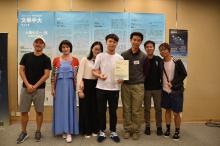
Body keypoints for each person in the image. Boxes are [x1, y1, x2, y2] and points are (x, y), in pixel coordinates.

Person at [17, 37, 51, 144]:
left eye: (41, 43)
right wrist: (28, 85)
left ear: (44, 46)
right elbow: (21, 71)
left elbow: (46, 75)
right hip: (25, 88)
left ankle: (38, 131)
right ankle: (23, 132)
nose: (38, 44)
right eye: (37, 42)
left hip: (39, 89)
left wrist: (34, 86)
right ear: (33, 44)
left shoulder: (46, 59)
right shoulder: (26, 56)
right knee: (24, 111)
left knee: (39, 111)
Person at [92, 34, 124, 143]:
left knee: (113, 112)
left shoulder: (120, 58)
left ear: (117, 44)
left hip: (114, 88)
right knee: (101, 111)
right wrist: (100, 76)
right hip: (101, 87)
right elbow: (94, 71)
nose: (112, 44)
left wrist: (121, 79)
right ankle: (102, 131)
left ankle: (113, 131)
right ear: (106, 42)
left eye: (114, 42)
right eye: (110, 41)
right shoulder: (100, 56)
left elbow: (122, 76)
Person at [121, 32, 149, 140]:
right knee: (127, 109)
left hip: (138, 86)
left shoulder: (144, 56)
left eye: (138, 40)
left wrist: (138, 80)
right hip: (125, 86)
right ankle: (128, 129)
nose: (136, 42)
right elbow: (119, 69)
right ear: (130, 40)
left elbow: (146, 73)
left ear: (141, 42)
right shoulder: (123, 55)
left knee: (136, 110)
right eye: (134, 39)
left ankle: (136, 130)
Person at [51, 40, 79, 143]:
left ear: (70, 48)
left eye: (67, 47)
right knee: (60, 108)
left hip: (70, 87)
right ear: (61, 49)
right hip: (59, 87)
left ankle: (68, 132)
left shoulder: (76, 60)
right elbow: (53, 76)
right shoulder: (56, 60)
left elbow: (78, 76)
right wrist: (53, 89)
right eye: (63, 47)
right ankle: (63, 129)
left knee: (69, 108)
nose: (65, 49)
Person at [159, 43, 187, 141]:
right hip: (165, 91)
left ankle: (177, 131)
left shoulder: (176, 61)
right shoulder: (161, 62)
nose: (163, 51)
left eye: (164, 49)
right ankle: (168, 130)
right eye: (161, 50)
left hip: (176, 91)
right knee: (167, 110)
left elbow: (184, 74)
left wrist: (173, 82)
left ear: (169, 50)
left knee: (176, 113)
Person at [77, 41, 103, 138]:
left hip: (97, 85)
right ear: (92, 49)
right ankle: (86, 130)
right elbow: (79, 75)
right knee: (85, 108)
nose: (97, 51)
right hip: (85, 85)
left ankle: (95, 129)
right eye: (95, 49)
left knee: (95, 108)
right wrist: (80, 90)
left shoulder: (101, 61)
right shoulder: (85, 60)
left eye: (99, 49)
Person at [143, 40, 163, 136]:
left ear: (154, 48)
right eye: (147, 47)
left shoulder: (158, 59)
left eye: (151, 46)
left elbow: (162, 73)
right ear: (145, 48)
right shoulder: (143, 59)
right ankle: (147, 126)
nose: (149, 48)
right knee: (147, 109)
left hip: (157, 89)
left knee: (158, 109)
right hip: (146, 88)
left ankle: (159, 127)